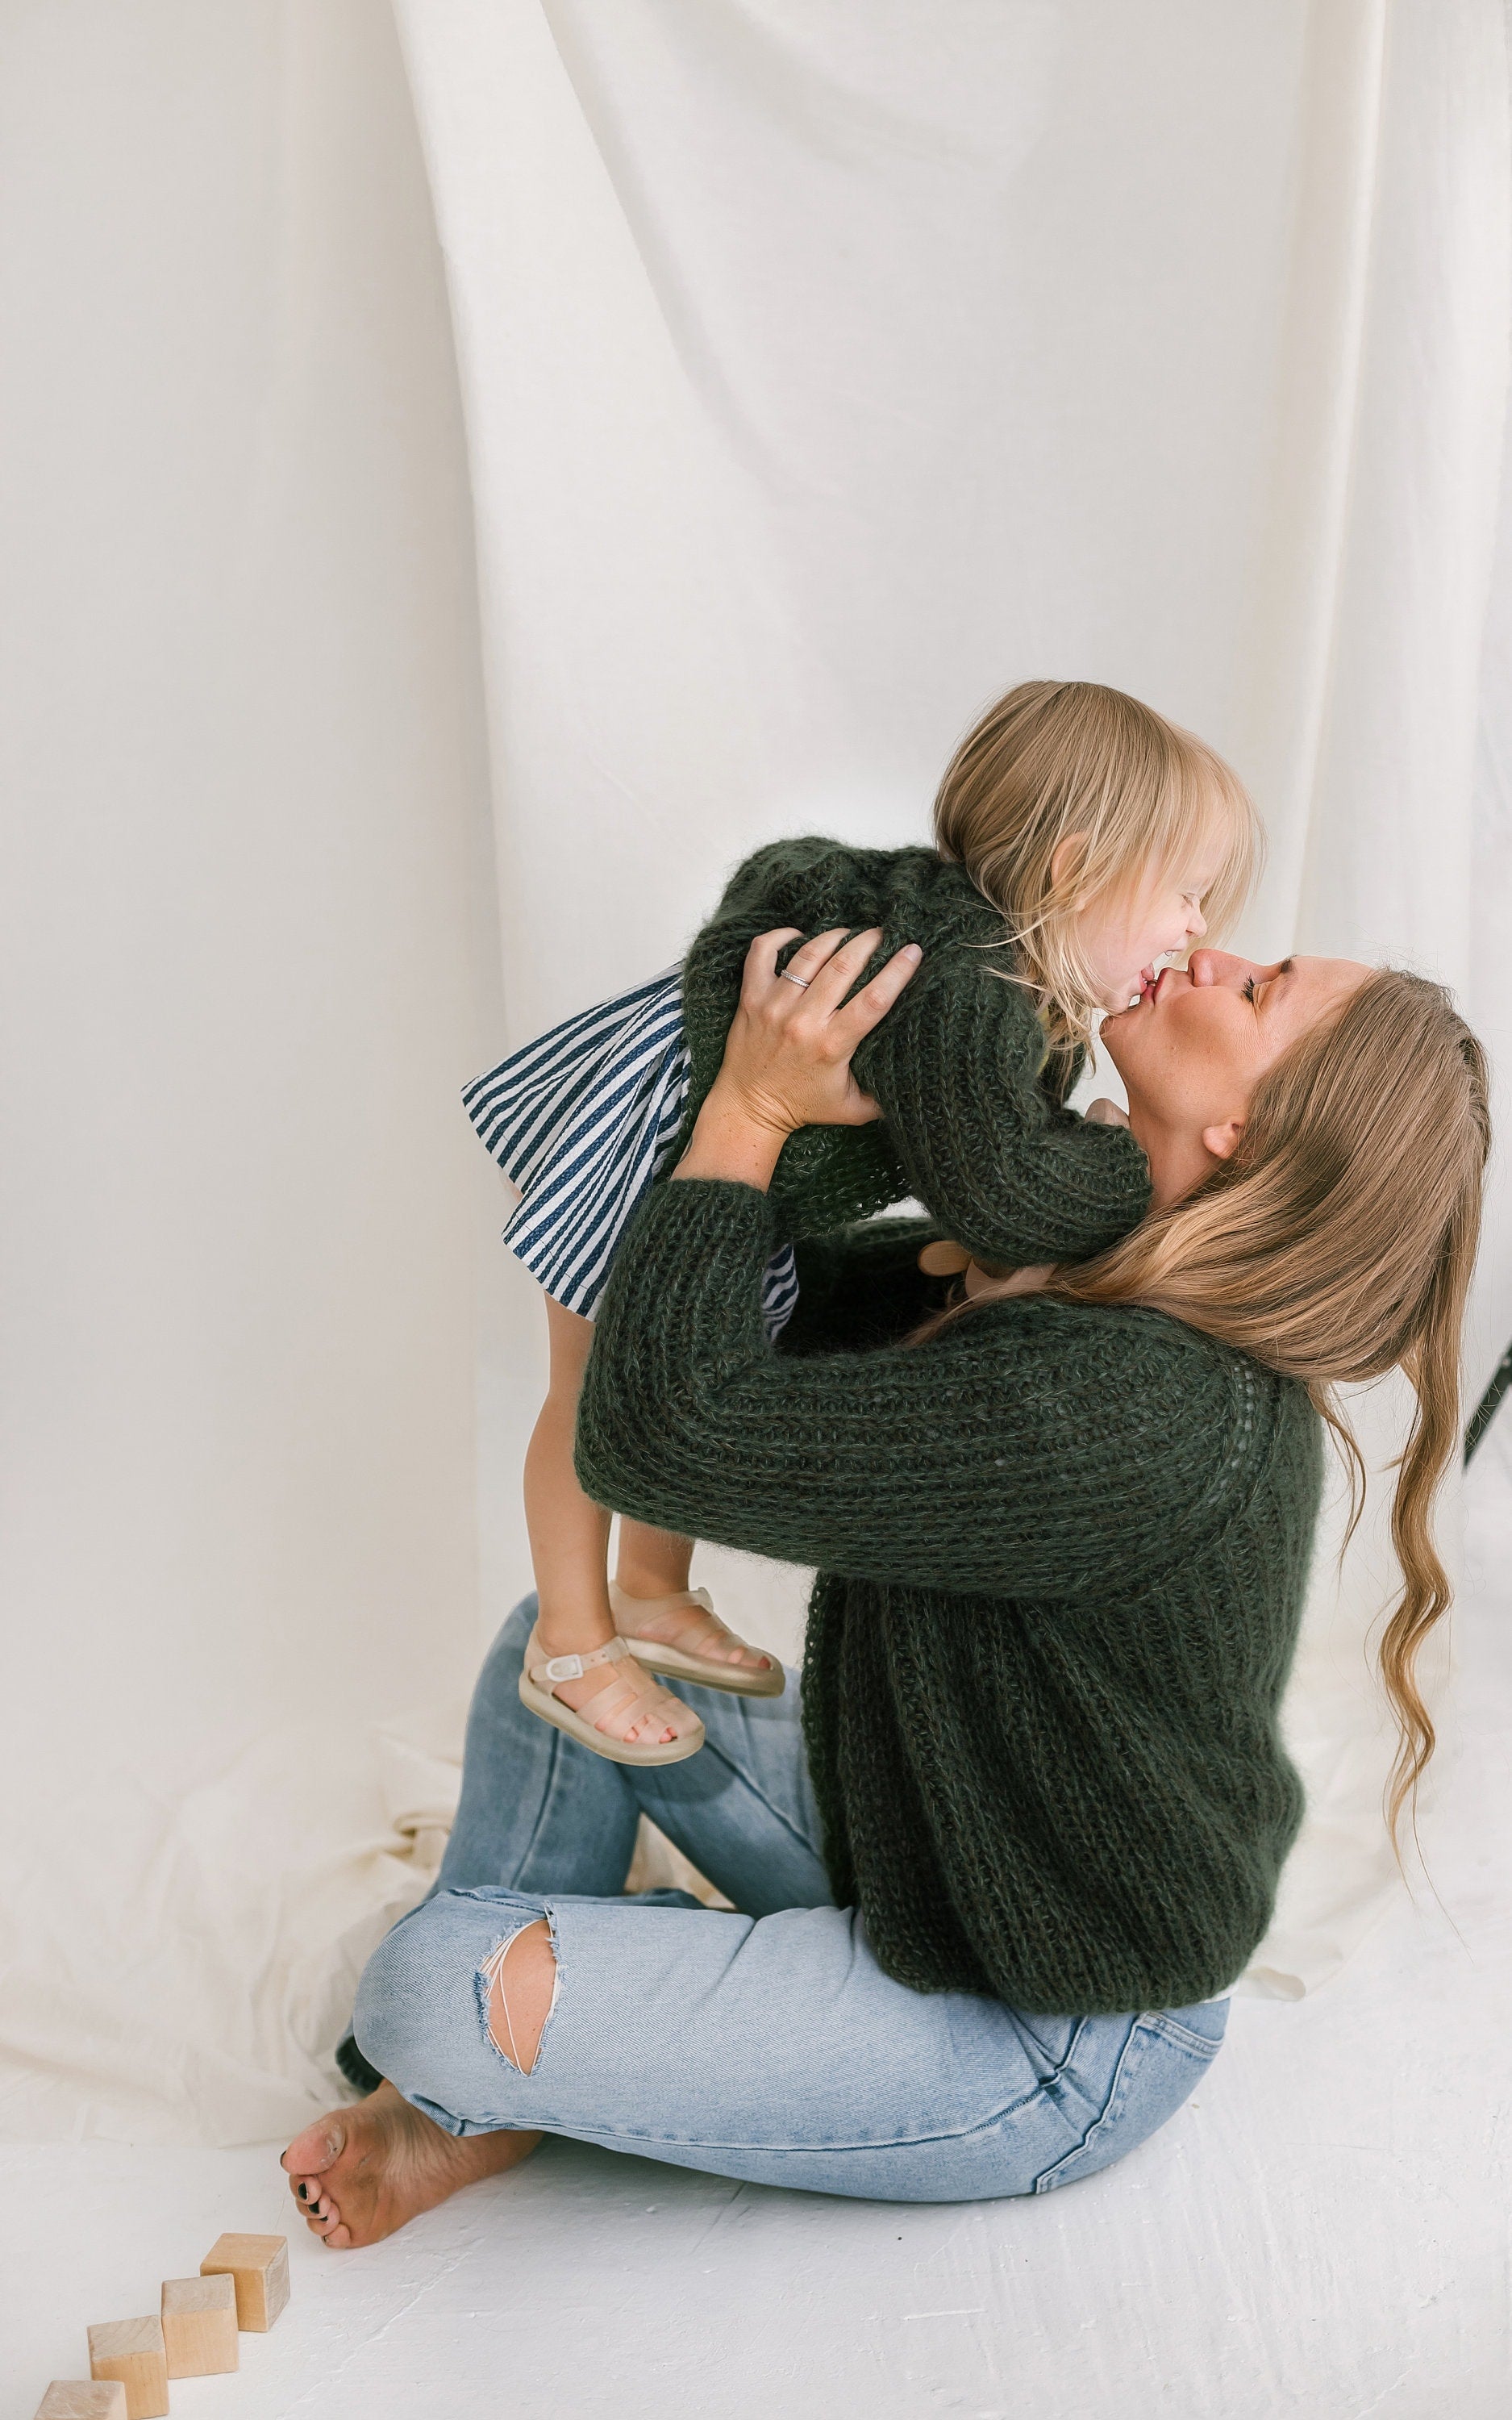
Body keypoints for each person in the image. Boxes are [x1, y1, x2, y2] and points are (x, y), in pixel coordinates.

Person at [282, 920, 1487, 2238]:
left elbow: (662, 1434)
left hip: (1041, 2037)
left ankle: (475, 2067)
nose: (1211, 957)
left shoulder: (1132, 1407)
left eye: (1256, 991)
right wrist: (911, 1114)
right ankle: (497, 2078)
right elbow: (777, 1306)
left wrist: (748, 1108)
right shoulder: (1094, 1268)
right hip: (918, 1848)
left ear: (1250, 1134)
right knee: (570, 1650)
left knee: (423, 1986)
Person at [463, 681, 1258, 1763]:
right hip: (646, 1131)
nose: (1199, 927)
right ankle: (568, 1640)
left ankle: (649, 1591)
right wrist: (1122, 1168)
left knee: (696, 1335)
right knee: (592, 1385)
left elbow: (986, 1159)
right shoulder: (969, 985)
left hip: (704, 1149)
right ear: (1074, 873)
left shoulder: (1019, 987)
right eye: (1186, 894)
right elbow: (1002, 1190)